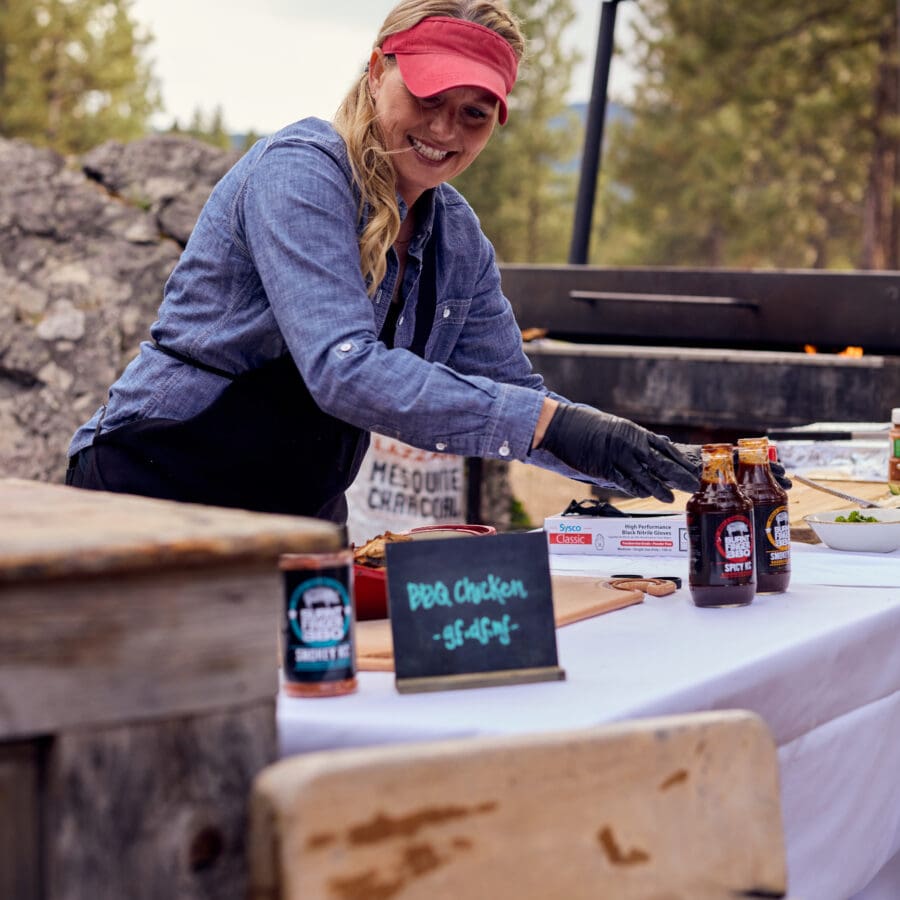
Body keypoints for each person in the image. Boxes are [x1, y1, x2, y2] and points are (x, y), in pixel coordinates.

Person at [66, 0, 702, 523]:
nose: (445, 130)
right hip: (152, 490)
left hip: (295, 517)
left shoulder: (456, 238)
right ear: (376, 71)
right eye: (427, 98)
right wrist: (552, 425)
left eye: (474, 114)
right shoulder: (301, 171)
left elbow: (518, 399)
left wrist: (647, 455)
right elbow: (343, 371)